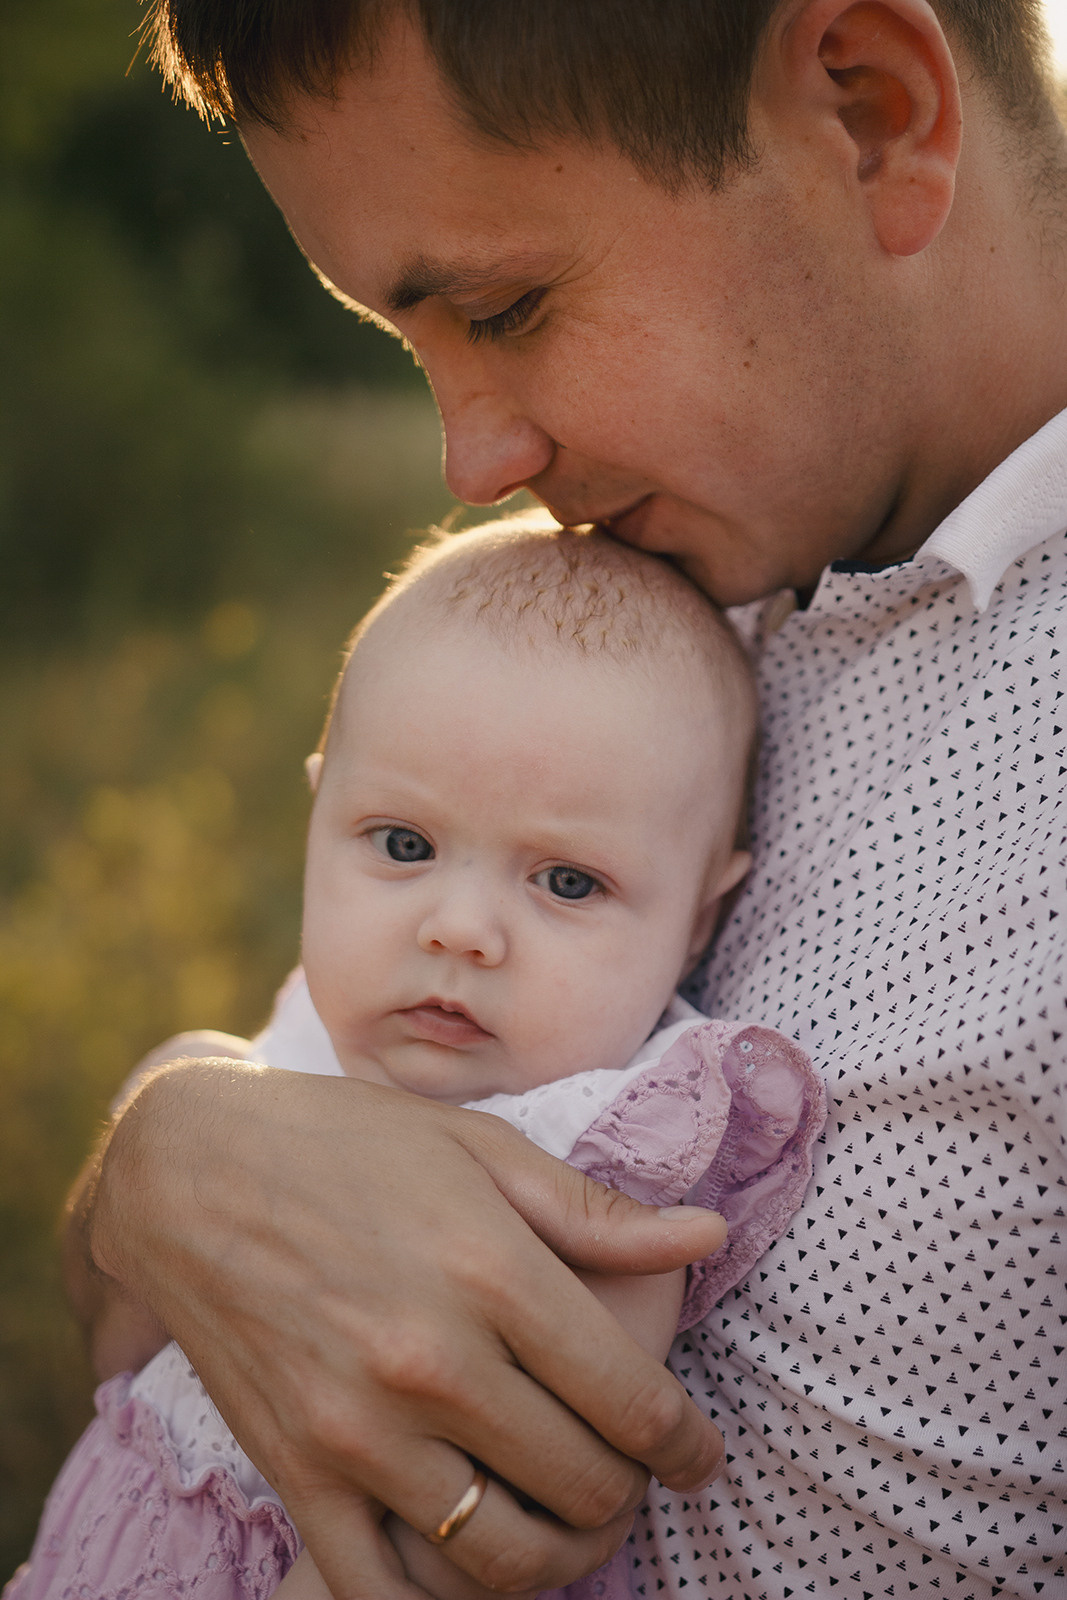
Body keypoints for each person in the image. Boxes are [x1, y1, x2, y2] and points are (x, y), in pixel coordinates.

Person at [64, 1, 1066, 1595]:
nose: (469, 461)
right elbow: (164, 1288)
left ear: (870, 112)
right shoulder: (671, 571)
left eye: (507, 305)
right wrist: (169, 1154)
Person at [7, 519, 826, 1600]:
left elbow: (471, 1533)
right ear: (316, 816)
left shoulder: (608, 1160)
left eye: (568, 882)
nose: (459, 928)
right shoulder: (300, 1045)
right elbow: (125, 1351)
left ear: (695, 918)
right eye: (402, 844)